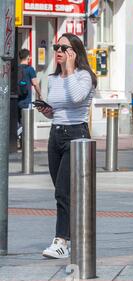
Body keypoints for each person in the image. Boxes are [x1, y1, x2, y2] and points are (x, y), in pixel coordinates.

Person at [36, 33, 96, 259]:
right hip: (57, 134)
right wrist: (48, 111)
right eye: (56, 47)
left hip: (76, 134)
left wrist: (70, 70)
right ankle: (72, 236)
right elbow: (59, 109)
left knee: (63, 191)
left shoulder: (84, 76)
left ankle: (61, 241)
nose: (58, 51)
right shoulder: (53, 78)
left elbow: (78, 99)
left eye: (64, 48)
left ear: (75, 52)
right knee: (62, 191)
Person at [17, 49, 42, 137]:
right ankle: (18, 136)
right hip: (26, 100)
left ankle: (18, 139)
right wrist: (40, 94)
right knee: (26, 123)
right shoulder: (30, 69)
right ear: (28, 57)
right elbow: (35, 83)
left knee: (18, 121)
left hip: (16, 100)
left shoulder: (16, 68)